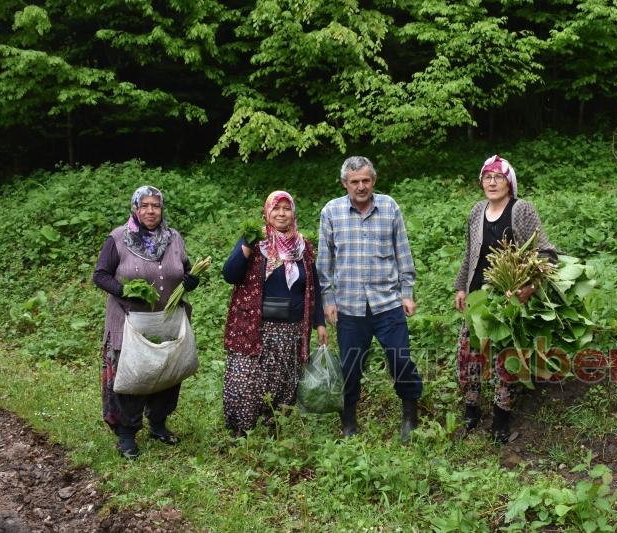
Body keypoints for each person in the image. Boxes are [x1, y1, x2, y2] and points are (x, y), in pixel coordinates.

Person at [317, 156, 423, 441]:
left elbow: (403, 253)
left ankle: (410, 416)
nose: (361, 186)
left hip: (387, 303)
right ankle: (349, 421)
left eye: (366, 180)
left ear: (373, 181)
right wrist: (328, 300)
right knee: (351, 367)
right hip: (349, 306)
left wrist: (407, 293)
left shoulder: (389, 207)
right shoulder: (331, 212)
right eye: (355, 182)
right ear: (345, 183)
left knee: (400, 359)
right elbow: (324, 264)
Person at [454, 155, 558, 443]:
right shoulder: (477, 211)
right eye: (487, 177)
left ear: (509, 182)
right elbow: (470, 253)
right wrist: (461, 286)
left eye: (498, 177)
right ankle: (471, 409)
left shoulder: (520, 209)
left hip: (509, 298)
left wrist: (531, 286)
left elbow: (546, 253)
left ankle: (501, 417)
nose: (491, 182)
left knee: (506, 359)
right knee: (468, 354)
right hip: (478, 297)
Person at [93, 185, 200, 459]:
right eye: (145, 205)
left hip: (166, 319)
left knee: (167, 372)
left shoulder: (173, 238)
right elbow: (101, 275)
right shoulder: (119, 238)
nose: (150, 210)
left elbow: (184, 271)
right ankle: (126, 435)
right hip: (130, 320)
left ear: (162, 209)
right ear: (135, 208)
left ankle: (158, 424)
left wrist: (191, 281)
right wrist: (124, 291)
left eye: (156, 205)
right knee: (131, 374)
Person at [222, 191, 327, 435]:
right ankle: (241, 431)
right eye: (276, 209)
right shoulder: (254, 242)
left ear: (293, 213)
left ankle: (274, 429)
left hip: (291, 331)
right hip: (255, 329)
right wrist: (246, 246)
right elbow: (230, 275)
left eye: (286, 208)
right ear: (266, 212)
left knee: (283, 382)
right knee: (245, 380)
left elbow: (314, 286)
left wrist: (319, 322)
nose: (281, 214)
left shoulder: (303, 247)